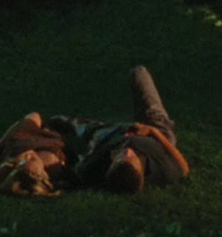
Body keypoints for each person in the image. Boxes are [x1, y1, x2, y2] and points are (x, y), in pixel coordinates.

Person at [70, 66, 190, 194]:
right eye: (131, 158)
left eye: (120, 157)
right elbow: (185, 169)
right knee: (139, 73)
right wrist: (152, 131)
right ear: (140, 171)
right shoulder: (165, 172)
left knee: (81, 130)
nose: (127, 151)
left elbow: (81, 167)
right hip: (156, 130)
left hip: (118, 133)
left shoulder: (97, 168)